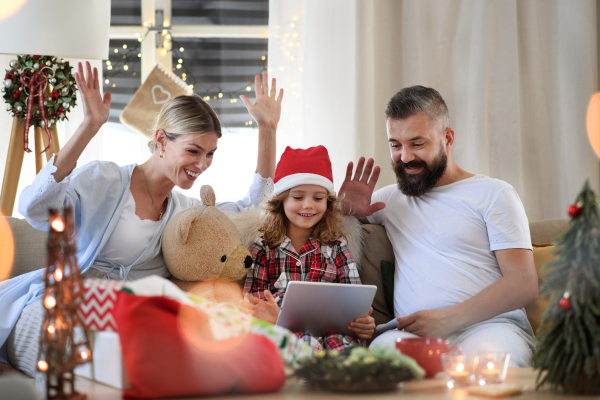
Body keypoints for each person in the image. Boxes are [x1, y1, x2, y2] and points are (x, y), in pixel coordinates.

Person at [0, 62, 284, 375]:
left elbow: (252, 208)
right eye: (193, 151)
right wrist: (90, 126)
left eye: (210, 153)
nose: (203, 164)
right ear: (161, 140)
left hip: (123, 318)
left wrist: (267, 132)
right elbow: (34, 207)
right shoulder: (104, 180)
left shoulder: (184, 211)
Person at [338, 86, 539, 367]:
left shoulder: (493, 193)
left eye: (417, 144)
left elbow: (524, 282)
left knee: (486, 365)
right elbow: (325, 241)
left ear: (447, 138)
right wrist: (343, 212)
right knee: (376, 366)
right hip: (410, 335)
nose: (405, 156)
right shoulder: (387, 201)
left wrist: (449, 318)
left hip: (491, 328)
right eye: (395, 145)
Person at [243, 146, 376, 350]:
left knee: (350, 353)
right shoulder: (263, 248)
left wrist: (363, 324)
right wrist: (271, 317)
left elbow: (356, 302)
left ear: (328, 202)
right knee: (304, 345)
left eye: (318, 198)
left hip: (334, 334)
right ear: (281, 201)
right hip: (283, 336)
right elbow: (251, 307)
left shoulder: (338, 246)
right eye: (297, 197)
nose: (308, 205)